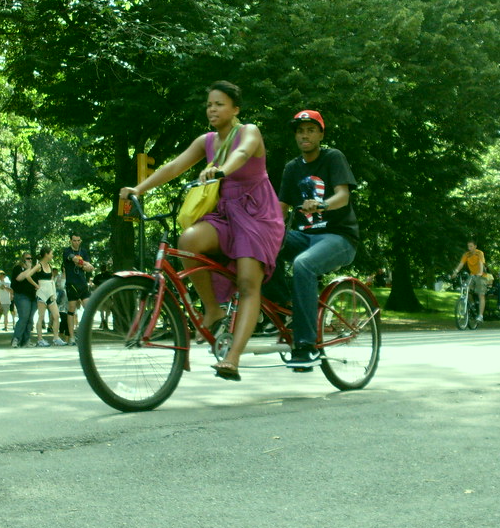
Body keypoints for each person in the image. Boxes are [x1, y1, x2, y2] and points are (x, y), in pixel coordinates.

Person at [118, 80, 284, 381]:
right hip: (224, 213)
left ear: (235, 108)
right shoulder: (206, 140)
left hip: (257, 215)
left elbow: (243, 154)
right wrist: (138, 189)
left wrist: (221, 170)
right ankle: (213, 310)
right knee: (188, 240)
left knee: (248, 283)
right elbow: (173, 167)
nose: (212, 109)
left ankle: (232, 358)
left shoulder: (248, 132)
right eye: (209, 104)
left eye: (219, 104)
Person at [272, 109, 359, 371]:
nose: (304, 135)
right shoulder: (292, 168)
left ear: (321, 133)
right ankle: (282, 308)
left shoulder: (333, 158)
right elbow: (281, 207)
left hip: (338, 237)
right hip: (304, 237)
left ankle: (306, 345)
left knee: (303, 264)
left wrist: (321, 205)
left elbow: (342, 196)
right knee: (260, 246)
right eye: (300, 131)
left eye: (310, 130)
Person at [20, 247, 67, 347]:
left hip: (50, 293)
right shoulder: (39, 265)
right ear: (46, 254)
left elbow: (51, 280)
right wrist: (36, 286)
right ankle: (40, 339)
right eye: (51, 253)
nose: (52, 255)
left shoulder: (49, 265)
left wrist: (54, 292)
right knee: (41, 316)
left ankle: (56, 338)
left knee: (56, 315)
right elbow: (28, 275)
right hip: (42, 293)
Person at [62, 234, 94, 346]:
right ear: (70, 240)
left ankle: (84, 334)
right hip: (72, 284)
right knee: (71, 309)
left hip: (83, 283)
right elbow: (74, 258)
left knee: (88, 308)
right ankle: (71, 337)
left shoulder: (84, 251)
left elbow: (89, 267)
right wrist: (84, 264)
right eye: (74, 240)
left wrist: (83, 265)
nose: (76, 242)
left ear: (81, 241)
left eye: (78, 240)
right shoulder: (66, 251)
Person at [453, 240, 487, 322]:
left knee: (481, 294)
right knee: (465, 289)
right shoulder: (466, 255)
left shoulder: (480, 253)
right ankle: (472, 304)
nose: (469, 248)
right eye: (468, 246)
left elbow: (481, 263)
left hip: (481, 275)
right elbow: (461, 264)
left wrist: (480, 272)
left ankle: (480, 315)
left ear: (475, 246)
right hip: (472, 275)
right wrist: (455, 272)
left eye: (471, 246)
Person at [10, 251, 36, 348]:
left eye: (31, 259)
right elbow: (19, 278)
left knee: (30, 319)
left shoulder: (34, 270)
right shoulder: (18, 268)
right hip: (21, 295)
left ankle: (26, 340)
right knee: (24, 317)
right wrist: (28, 269)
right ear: (23, 259)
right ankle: (16, 339)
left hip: (32, 296)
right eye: (27, 258)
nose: (30, 260)